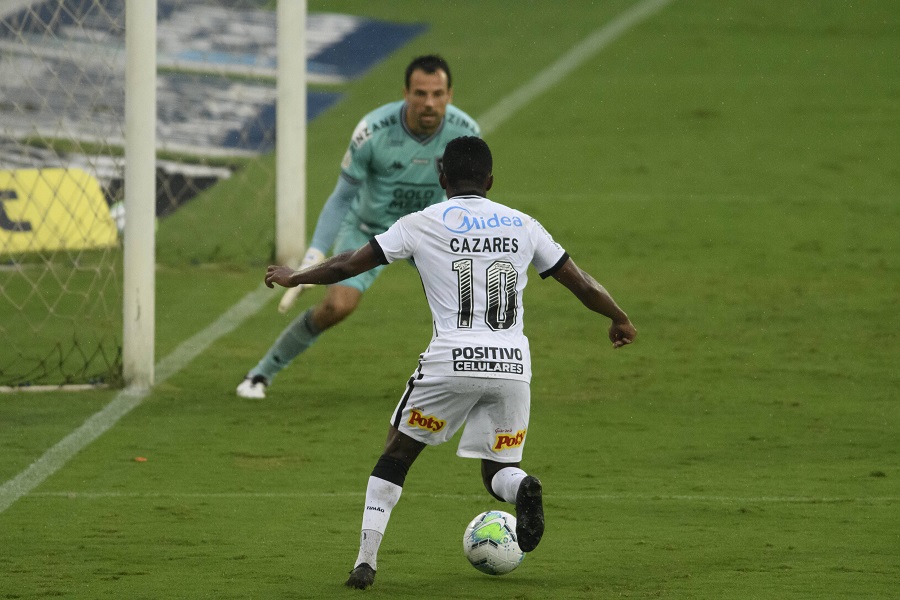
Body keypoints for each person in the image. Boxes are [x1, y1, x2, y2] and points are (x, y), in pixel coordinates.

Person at [264, 137, 637, 589]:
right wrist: (617, 317)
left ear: (441, 178)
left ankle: (365, 562)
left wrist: (296, 276)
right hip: (512, 365)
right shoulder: (524, 224)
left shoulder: (421, 223)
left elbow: (349, 265)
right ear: (490, 181)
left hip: (452, 361)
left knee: (397, 454)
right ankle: (523, 488)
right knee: (497, 470)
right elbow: (580, 282)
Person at [237, 54, 480, 398]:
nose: (429, 103)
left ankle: (466, 383)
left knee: (468, 301)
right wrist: (315, 252)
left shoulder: (466, 133)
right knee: (337, 306)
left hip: (429, 231)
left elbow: (470, 197)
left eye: (437, 94)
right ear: (405, 93)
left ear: (450, 95)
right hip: (371, 229)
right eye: (420, 93)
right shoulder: (373, 132)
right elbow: (341, 197)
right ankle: (261, 374)